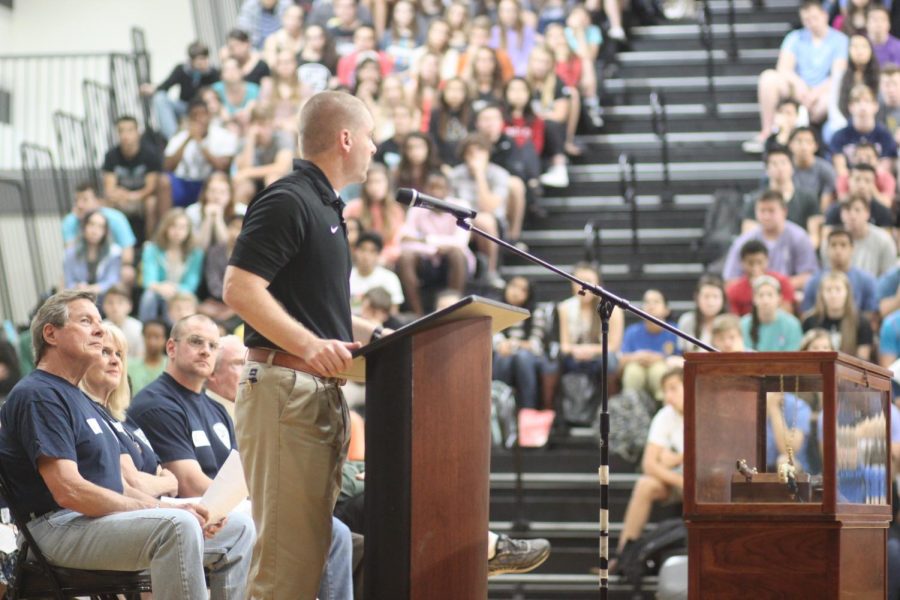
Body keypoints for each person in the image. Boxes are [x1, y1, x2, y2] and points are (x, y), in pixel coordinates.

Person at [222, 91, 385, 598]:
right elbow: (239, 287)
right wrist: (311, 345)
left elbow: (319, 312)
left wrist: (381, 338)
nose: (376, 149)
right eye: (371, 136)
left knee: (308, 562)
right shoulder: (288, 198)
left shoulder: (324, 206)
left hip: (312, 391)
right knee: (284, 571)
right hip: (284, 390)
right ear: (346, 138)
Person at [0, 290, 251, 599]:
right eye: (85, 320)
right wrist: (165, 510)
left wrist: (178, 507)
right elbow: (69, 491)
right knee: (178, 527)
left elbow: (122, 484)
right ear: (50, 334)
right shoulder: (39, 393)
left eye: (99, 321)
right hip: (55, 527)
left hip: (97, 520)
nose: (99, 329)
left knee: (238, 529)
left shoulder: (83, 400)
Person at [746, 0, 848, 152]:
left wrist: (815, 93)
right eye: (806, 20)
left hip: (823, 92)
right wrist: (799, 85)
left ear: (825, 16)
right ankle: (768, 131)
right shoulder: (795, 37)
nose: (811, 23)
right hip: (798, 90)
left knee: (828, 98)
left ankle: (806, 141)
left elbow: (838, 74)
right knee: (768, 78)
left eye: (814, 18)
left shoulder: (840, 40)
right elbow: (783, 68)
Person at [615, 367, 685, 562]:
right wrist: (681, 479)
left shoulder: (706, 410)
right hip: (679, 480)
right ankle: (623, 556)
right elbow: (649, 464)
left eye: (673, 388)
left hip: (704, 480)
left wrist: (677, 457)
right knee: (645, 484)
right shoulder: (664, 416)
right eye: (665, 390)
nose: (668, 396)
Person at [397, 171, 475, 315]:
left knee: (456, 254)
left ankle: (454, 309)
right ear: (426, 189)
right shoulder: (417, 208)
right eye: (432, 188)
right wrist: (434, 247)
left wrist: (426, 240)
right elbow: (405, 239)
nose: (436, 192)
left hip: (453, 260)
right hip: (426, 260)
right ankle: (417, 314)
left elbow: (460, 242)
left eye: (440, 188)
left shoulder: (460, 206)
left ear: (448, 190)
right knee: (405, 257)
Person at [722, 190, 818, 293]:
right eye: (762, 211)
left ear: (784, 211)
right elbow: (730, 281)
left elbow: (809, 276)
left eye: (771, 211)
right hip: (752, 297)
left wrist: (773, 287)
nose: (766, 216)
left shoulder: (799, 237)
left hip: (788, 296)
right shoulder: (744, 241)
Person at [102, 115, 168, 241]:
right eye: (121, 131)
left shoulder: (150, 154)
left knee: (151, 203)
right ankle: (114, 247)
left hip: (141, 198)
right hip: (122, 199)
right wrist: (119, 196)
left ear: (138, 132)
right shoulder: (111, 156)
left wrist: (133, 196)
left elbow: (150, 187)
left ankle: (150, 244)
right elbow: (109, 189)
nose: (125, 135)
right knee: (106, 204)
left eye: (130, 130)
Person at [163, 98, 239, 208]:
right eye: (194, 116)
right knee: (163, 181)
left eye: (203, 115)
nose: (199, 119)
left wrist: (200, 143)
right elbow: (167, 166)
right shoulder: (179, 137)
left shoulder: (224, 136)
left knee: (218, 179)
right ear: (189, 119)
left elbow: (222, 166)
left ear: (209, 116)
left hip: (208, 183)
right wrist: (188, 139)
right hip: (184, 182)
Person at [140, 41, 221, 140]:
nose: (202, 63)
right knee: (160, 98)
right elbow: (165, 86)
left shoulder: (214, 74)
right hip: (185, 107)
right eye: (198, 60)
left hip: (205, 109)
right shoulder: (182, 70)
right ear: (191, 60)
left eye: (204, 59)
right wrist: (152, 88)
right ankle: (174, 139)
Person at [742, 148, 821, 247]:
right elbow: (748, 237)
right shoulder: (755, 200)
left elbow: (814, 237)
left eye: (783, 163)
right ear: (767, 170)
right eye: (774, 164)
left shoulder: (808, 198)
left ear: (792, 167)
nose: (779, 168)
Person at [62, 182, 137, 286]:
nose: (79, 205)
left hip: (110, 265)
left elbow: (127, 255)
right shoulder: (70, 221)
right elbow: (70, 253)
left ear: (98, 201)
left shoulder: (116, 218)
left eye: (85, 200)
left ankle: (118, 302)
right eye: (76, 200)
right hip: (83, 265)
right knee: (63, 279)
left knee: (127, 272)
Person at [139, 209, 205, 322]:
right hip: (158, 291)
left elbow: (191, 283)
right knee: (149, 296)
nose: (177, 231)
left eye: (182, 227)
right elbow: (148, 280)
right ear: (165, 228)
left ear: (189, 231)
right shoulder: (151, 249)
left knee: (183, 301)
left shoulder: (196, 253)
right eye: (173, 226)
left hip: (182, 292)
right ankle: (147, 328)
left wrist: (173, 289)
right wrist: (161, 287)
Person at [493, 276, 546, 409]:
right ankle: (499, 405)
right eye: (513, 286)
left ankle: (528, 409)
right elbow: (494, 336)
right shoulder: (496, 309)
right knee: (502, 357)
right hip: (503, 353)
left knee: (522, 357)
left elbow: (536, 344)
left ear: (529, 295)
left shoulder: (536, 313)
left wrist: (513, 344)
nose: (516, 292)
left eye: (522, 290)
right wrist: (501, 344)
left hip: (529, 356)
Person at [620, 289, 681, 400]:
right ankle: (630, 408)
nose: (651, 306)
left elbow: (681, 359)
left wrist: (660, 358)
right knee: (633, 371)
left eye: (656, 302)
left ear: (667, 309)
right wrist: (637, 356)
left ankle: (664, 406)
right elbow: (621, 359)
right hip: (637, 366)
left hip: (663, 369)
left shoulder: (676, 331)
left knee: (658, 371)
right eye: (647, 302)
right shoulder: (632, 331)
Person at [800, 228, 878, 315]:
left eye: (843, 245)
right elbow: (807, 313)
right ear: (827, 249)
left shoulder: (866, 281)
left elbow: (871, 315)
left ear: (852, 249)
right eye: (833, 245)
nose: (838, 250)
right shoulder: (814, 281)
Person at [830, 85, 897, 179]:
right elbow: (841, 171)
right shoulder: (838, 136)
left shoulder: (886, 136)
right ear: (850, 107)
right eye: (857, 101)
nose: (862, 106)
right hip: (850, 185)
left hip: (877, 185)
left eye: (867, 101)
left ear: (876, 106)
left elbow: (885, 173)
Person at [801, 271, 873, 359]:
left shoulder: (861, 322)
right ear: (821, 294)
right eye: (828, 290)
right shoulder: (810, 321)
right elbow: (803, 355)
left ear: (847, 293)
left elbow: (863, 361)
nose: (833, 295)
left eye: (838, 290)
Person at [343, 164, 405, 266]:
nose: (374, 187)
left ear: (387, 184)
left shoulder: (395, 210)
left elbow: (395, 244)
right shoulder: (353, 208)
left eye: (379, 181)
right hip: (356, 260)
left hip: (384, 261)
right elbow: (348, 239)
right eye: (370, 182)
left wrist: (380, 258)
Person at [725, 240, 796, 316]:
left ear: (767, 260)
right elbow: (734, 320)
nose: (755, 268)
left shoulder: (782, 283)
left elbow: (787, 313)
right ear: (742, 263)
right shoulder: (734, 291)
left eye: (760, 262)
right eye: (750, 263)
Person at [831, 194, 896, 277]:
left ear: (867, 213)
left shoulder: (884, 240)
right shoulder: (833, 241)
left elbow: (889, 277)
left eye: (857, 210)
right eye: (847, 210)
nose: (852, 215)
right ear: (841, 214)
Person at [62, 210, 122, 297]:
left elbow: (112, 281)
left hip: (104, 296)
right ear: (84, 227)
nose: (95, 231)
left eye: (100, 227)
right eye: (91, 224)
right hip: (78, 295)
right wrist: (77, 287)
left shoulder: (114, 253)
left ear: (105, 232)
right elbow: (68, 281)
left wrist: (93, 289)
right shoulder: (70, 253)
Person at [741, 275, 803, 351]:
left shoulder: (792, 324)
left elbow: (794, 355)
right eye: (761, 295)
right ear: (754, 299)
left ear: (779, 298)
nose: (765, 301)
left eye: (770, 295)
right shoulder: (743, 324)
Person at [349, 232, 404, 313]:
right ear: (355, 251)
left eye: (372, 251)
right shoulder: (346, 277)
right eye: (363, 249)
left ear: (378, 255)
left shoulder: (390, 278)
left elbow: (393, 312)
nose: (366, 255)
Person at [788, 127, 835, 212]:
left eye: (808, 142)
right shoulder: (784, 168)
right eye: (799, 141)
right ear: (790, 145)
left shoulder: (826, 169)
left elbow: (826, 200)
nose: (803, 147)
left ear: (816, 146)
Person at [676, 274, 726, 352]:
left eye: (715, 296)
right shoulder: (687, 320)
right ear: (697, 298)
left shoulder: (731, 322)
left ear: (723, 299)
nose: (711, 302)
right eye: (706, 296)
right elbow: (681, 352)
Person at [101, 284, 143, 360]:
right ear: (103, 306)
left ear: (130, 306)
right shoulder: (99, 328)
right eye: (110, 302)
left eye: (120, 302)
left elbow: (140, 358)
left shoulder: (138, 328)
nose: (115, 307)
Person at [129, 319, 168, 395]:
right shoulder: (130, 367)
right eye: (148, 336)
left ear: (165, 339)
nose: (152, 342)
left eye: (157, 337)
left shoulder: (172, 367)